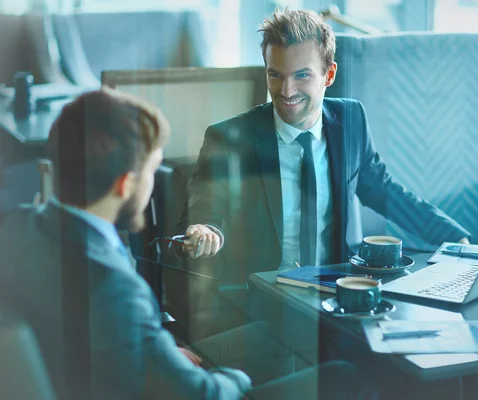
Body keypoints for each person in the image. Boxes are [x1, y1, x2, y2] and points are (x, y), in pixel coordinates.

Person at [0, 89, 374, 399]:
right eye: (150, 171)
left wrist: (155, 352)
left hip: (110, 368)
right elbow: (202, 395)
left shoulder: (15, 228)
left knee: (276, 337)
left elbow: (105, 335)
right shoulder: (114, 288)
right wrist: (235, 380)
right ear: (125, 185)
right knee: (345, 377)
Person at [177, 8, 470, 280]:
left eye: (302, 75)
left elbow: (384, 190)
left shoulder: (351, 119)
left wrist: (455, 239)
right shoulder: (229, 139)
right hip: (264, 294)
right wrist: (204, 232)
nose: (286, 91)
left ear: (329, 74)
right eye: (275, 75)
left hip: (338, 290)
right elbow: (202, 216)